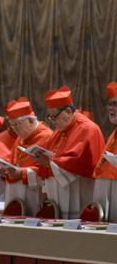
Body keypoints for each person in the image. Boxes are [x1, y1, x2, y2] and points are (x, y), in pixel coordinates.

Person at [28, 86, 105, 218]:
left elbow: (77, 162)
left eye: (54, 117)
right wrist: (44, 191)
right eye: (50, 117)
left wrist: (49, 162)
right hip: (56, 193)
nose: (52, 122)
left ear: (68, 111)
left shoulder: (88, 129)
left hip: (77, 192)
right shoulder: (57, 132)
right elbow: (50, 165)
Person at [0, 98, 53, 215]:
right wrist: (5, 170)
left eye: (17, 124)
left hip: (35, 193)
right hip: (15, 193)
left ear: (30, 120)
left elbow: (49, 169)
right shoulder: (21, 137)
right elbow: (14, 163)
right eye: (12, 126)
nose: (15, 129)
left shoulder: (48, 137)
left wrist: (23, 173)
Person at [93, 82, 117, 219]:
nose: (111, 108)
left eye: (115, 104)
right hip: (106, 188)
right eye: (110, 104)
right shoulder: (114, 132)